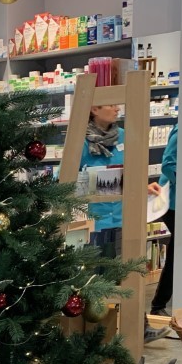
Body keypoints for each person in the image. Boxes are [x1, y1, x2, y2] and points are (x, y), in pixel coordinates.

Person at [78, 103, 125, 257]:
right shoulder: (80, 140)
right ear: (94, 109)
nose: (117, 109)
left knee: (121, 269)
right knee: (94, 269)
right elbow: (62, 179)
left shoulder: (124, 136)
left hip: (122, 220)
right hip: (93, 223)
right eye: (111, 105)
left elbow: (133, 171)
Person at [148, 125, 178, 316]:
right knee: (179, 251)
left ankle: (159, 304)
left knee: (178, 251)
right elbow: (168, 164)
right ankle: (158, 305)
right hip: (173, 202)